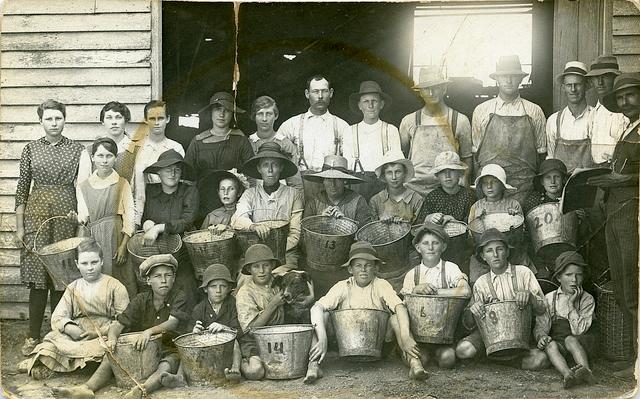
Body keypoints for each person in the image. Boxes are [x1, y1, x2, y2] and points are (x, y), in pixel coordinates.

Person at [51, 254, 190, 399]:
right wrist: (112, 339)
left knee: (167, 364)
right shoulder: (141, 300)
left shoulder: (179, 296)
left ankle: (142, 389)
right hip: (143, 349)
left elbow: (172, 322)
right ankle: (87, 388)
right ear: (148, 280)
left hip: (169, 347)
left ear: (173, 278)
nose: (163, 280)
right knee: (111, 356)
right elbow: (118, 324)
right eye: (157, 276)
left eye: (168, 275)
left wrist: (148, 332)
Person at [14, 99, 85, 356]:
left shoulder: (77, 149)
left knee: (61, 275)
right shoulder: (30, 149)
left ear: (65, 119)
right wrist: (20, 225)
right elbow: (22, 188)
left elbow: (82, 186)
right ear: (41, 121)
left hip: (66, 213)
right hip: (37, 213)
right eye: (49, 119)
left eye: (58, 118)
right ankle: (33, 335)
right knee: (38, 277)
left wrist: (80, 219)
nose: (54, 123)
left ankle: (57, 333)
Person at [309, 241, 426, 380]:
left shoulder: (381, 284)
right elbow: (316, 307)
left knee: (396, 318)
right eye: (358, 265)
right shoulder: (343, 286)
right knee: (322, 315)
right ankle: (313, 365)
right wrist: (322, 337)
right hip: (347, 342)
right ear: (350, 269)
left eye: (368, 265)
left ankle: (415, 363)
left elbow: (400, 306)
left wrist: (406, 336)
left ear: (375, 268)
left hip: (378, 343)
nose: (363, 269)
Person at [588, 72, 640, 378]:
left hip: (634, 211)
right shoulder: (628, 128)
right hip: (615, 211)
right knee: (622, 284)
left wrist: (625, 180)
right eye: (620, 97)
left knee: (634, 283)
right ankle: (634, 359)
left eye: (631, 95)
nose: (625, 101)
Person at [24, 238, 129, 379]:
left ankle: (62, 366)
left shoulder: (115, 286)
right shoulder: (73, 287)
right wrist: (68, 327)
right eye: (84, 263)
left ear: (102, 261)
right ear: (77, 264)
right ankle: (70, 363)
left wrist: (100, 332)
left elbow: (125, 319)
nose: (90, 267)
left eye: (94, 262)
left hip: (103, 334)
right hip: (77, 333)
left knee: (108, 348)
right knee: (51, 340)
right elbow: (58, 316)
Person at [455, 229, 549, 370]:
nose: (495, 255)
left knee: (541, 360)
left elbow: (542, 309)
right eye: (489, 251)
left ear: (507, 252)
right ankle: (501, 356)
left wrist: (530, 297)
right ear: (483, 256)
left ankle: (498, 359)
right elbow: (469, 324)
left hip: (520, 334)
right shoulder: (481, 282)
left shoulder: (524, 273)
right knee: (463, 350)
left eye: (499, 249)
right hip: (490, 336)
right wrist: (473, 310)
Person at [472, 55, 547, 203]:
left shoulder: (534, 111)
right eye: (504, 76)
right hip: (490, 188)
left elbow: (541, 154)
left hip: (524, 188)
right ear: (497, 79)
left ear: (520, 79)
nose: (508, 80)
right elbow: (476, 155)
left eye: (513, 76)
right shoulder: (482, 111)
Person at [69, 137, 136, 297]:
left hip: (116, 237)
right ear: (93, 157)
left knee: (119, 279)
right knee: (95, 279)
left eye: (109, 156)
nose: (104, 161)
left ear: (115, 158)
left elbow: (130, 218)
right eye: (100, 156)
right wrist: (75, 219)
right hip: (94, 239)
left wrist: (123, 246)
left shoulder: (122, 183)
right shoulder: (83, 186)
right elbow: (84, 218)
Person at [400, 223, 471, 369]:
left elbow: (465, 291)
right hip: (419, 336)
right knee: (422, 359)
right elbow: (404, 305)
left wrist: (435, 292)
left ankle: (440, 354)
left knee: (448, 359)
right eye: (425, 243)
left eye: (435, 243)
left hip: (444, 334)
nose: (430, 247)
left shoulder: (450, 268)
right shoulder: (412, 274)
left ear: (443, 247)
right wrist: (416, 289)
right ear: (418, 248)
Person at [163, 263, 244, 386]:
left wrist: (225, 328)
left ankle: (235, 370)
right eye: (213, 286)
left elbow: (240, 331)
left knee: (235, 342)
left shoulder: (233, 304)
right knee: (187, 345)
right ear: (205, 289)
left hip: (227, 351)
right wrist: (194, 331)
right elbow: (189, 331)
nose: (218, 290)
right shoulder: (200, 308)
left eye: (223, 286)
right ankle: (180, 376)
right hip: (207, 350)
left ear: (228, 288)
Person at [231, 142, 304, 273]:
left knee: (282, 279)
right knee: (246, 281)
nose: (270, 170)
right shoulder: (250, 194)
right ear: (259, 169)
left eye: (274, 165)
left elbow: (295, 232)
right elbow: (238, 219)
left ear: (281, 167)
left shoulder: (293, 195)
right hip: (255, 255)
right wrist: (253, 226)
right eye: (265, 165)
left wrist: (275, 250)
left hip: (285, 255)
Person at [399, 66, 472, 196]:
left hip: (448, 189)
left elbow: (467, 158)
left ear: (444, 89)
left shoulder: (459, 120)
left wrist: (462, 184)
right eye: (427, 89)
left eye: (436, 87)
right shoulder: (409, 121)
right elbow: (402, 157)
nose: (431, 93)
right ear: (420, 92)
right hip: (414, 189)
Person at [141, 149, 199, 307]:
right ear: (159, 172)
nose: (172, 174)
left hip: (182, 253)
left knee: (186, 286)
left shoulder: (189, 191)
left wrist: (160, 227)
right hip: (155, 252)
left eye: (177, 170)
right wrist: (147, 224)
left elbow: (187, 220)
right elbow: (145, 216)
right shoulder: (151, 190)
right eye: (168, 170)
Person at [185, 92, 254, 223]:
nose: (221, 114)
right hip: (202, 201)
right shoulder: (198, 141)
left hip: (233, 204)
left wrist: (246, 203)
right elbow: (188, 177)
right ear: (211, 112)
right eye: (217, 109)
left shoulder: (240, 140)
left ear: (232, 114)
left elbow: (252, 175)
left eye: (226, 110)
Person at [534, 251, 596, 389]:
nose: (574, 280)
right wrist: (542, 337)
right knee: (550, 345)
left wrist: (572, 305)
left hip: (582, 342)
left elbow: (579, 330)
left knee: (570, 339)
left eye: (579, 274)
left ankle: (587, 371)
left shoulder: (587, 299)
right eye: (568, 275)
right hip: (561, 346)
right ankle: (567, 374)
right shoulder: (550, 298)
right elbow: (541, 325)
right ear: (558, 278)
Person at [468, 164, 531, 283]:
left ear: (502, 186)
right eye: (485, 183)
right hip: (486, 254)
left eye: (494, 182)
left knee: (521, 274)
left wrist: (516, 217)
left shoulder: (513, 205)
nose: (489, 186)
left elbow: (521, 235)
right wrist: (476, 218)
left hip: (510, 250)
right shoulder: (476, 207)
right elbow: (472, 237)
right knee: (478, 277)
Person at [418, 151, 476, 274]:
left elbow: (473, 223)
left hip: (461, 248)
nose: (447, 175)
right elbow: (420, 225)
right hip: (436, 249)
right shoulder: (433, 196)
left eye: (452, 171)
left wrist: (455, 221)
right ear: (437, 175)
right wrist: (429, 218)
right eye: (443, 172)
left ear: (460, 173)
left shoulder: (469, 195)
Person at [343, 81, 402, 200]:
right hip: (357, 185)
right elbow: (347, 166)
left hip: (383, 185)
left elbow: (397, 164)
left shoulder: (390, 130)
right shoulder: (350, 131)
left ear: (381, 104)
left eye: (374, 101)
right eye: (366, 101)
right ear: (360, 105)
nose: (370, 105)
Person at [279, 75, 350, 172]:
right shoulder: (292, 124)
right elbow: (277, 155)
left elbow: (349, 161)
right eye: (315, 91)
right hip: (301, 182)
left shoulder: (342, 126)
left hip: (331, 183)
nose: (320, 96)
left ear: (331, 93)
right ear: (307, 94)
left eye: (324, 91)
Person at [234, 244, 285, 380]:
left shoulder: (280, 281)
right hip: (254, 339)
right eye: (256, 266)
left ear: (272, 265)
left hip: (279, 337)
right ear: (249, 269)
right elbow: (252, 329)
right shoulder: (245, 293)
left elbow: (303, 278)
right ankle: (243, 363)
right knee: (255, 372)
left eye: (266, 265)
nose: (261, 271)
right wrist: (273, 304)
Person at [132, 100, 185, 226]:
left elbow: (181, 183)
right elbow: (137, 190)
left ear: (168, 119)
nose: (156, 123)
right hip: (146, 205)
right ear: (145, 120)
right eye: (152, 118)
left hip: (172, 206)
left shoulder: (176, 148)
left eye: (160, 118)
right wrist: (136, 221)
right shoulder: (137, 149)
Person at [77, 101, 142, 184]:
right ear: (103, 122)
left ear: (126, 120)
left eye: (118, 117)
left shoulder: (137, 151)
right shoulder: (89, 152)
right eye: (109, 117)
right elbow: (82, 186)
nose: (114, 122)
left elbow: (139, 190)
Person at [546, 62, 593, 172]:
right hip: (562, 184)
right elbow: (551, 158)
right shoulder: (554, 120)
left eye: (578, 84)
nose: (573, 89)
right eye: (569, 85)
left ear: (586, 86)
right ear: (563, 88)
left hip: (589, 183)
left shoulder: (596, 117)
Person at [248, 95, 303, 190]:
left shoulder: (285, 144)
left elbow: (296, 183)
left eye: (269, 114)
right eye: (260, 114)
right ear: (254, 116)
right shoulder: (248, 143)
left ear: (276, 116)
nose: (264, 119)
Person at [303, 154, 374, 227]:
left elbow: (366, 234)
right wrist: (319, 222)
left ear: (345, 180)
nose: (333, 184)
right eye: (328, 179)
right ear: (323, 180)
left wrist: (346, 223)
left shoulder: (358, 201)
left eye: (338, 179)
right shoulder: (313, 202)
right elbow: (304, 231)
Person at [585, 55, 629, 167]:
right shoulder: (594, 113)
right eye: (596, 77)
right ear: (591, 81)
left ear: (615, 78)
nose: (600, 82)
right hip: (597, 169)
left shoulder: (624, 112)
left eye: (605, 76)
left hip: (618, 169)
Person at [369, 151, 423, 224]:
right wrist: (381, 223)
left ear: (404, 174)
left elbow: (419, 229)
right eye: (389, 173)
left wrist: (405, 224)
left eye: (398, 172)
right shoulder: (376, 201)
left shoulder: (416, 199)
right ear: (384, 175)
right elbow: (372, 230)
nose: (394, 177)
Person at [200, 169, 248, 234]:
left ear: (239, 192)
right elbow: (201, 237)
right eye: (222, 189)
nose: (226, 193)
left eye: (231, 189)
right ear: (218, 192)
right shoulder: (212, 216)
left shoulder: (245, 213)